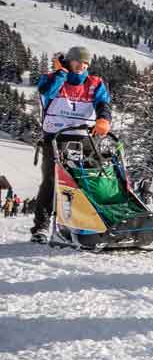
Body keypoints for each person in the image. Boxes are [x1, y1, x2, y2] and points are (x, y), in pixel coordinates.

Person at [31, 47, 112, 243]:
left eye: (85, 64)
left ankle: (94, 221)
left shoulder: (94, 83)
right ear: (68, 61)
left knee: (89, 179)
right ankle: (41, 227)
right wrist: (61, 73)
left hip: (85, 138)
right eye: (77, 62)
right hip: (55, 138)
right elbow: (46, 92)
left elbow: (103, 103)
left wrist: (104, 119)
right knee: (51, 181)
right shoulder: (51, 79)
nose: (81, 66)